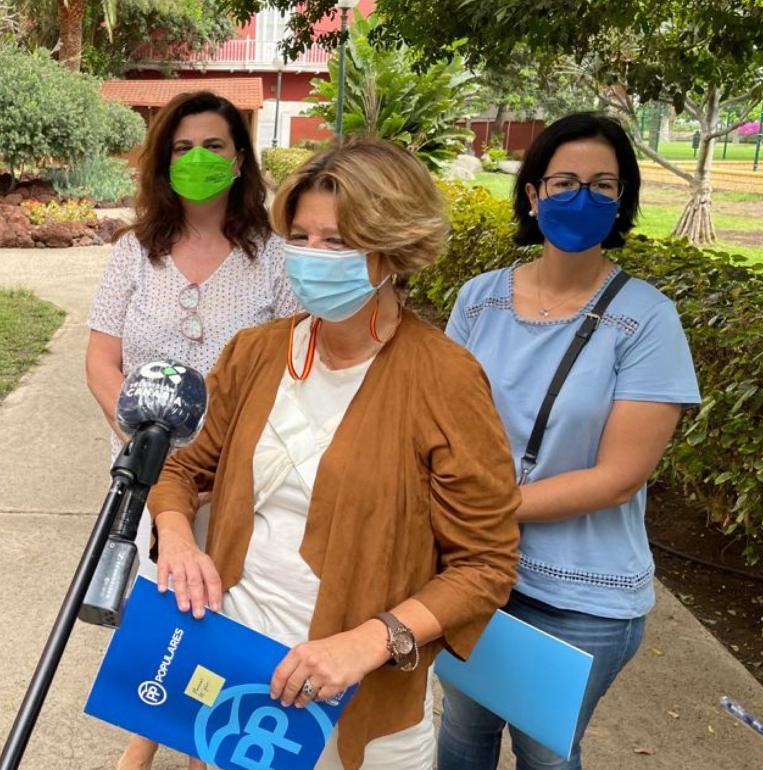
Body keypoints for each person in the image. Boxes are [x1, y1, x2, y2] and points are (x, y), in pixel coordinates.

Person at [145, 137, 522, 770]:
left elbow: (485, 564)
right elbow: (182, 465)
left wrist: (373, 640)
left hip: (360, 702)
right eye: (302, 236)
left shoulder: (444, 379)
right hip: (237, 672)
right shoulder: (256, 353)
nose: (312, 257)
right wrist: (178, 538)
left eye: (339, 242)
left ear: (394, 250)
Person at [438, 112, 701, 770]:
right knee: (462, 735)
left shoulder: (646, 319)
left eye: (602, 184)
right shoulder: (479, 300)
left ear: (621, 201)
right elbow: (437, 426)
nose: (582, 197)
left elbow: (618, 476)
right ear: (532, 194)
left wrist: (482, 506)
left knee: (544, 754)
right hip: (476, 570)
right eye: (564, 181)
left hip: (580, 597)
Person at [84, 90, 299, 770]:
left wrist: (220, 462)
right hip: (148, 465)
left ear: (239, 161)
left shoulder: (277, 258)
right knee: (161, 603)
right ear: (162, 161)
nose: (197, 158)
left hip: (242, 474)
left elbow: (294, 364)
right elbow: (100, 358)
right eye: (182, 147)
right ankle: (146, 743)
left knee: (226, 609)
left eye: (214, 145)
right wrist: (143, 444)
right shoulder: (133, 253)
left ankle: (189, 745)